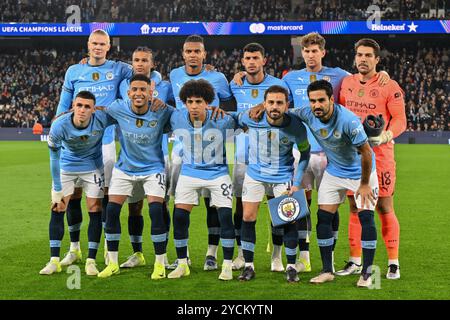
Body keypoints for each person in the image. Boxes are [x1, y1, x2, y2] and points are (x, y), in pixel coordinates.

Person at [281, 32, 389, 273]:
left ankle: (340, 257)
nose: (310, 54)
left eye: (314, 50)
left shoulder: (340, 75)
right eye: (306, 51)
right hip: (303, 152)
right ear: (302, 52)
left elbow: (363, 78)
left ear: (322, 52)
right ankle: (306, 256)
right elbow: (277, 100)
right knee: (302, 205)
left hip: (333, 155)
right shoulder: (290, 77)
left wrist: (382, 74)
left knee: (339, 206)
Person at [286, 80, 379, 288]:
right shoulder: (308, 113)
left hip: (361, 173)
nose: (316, 105)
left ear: (331, 99)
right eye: (312, 101)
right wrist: (260, 107)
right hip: (334, 171)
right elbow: (283, 109)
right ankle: (327, 270)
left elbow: (366, 153)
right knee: (323, 218)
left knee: (366, 217)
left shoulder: (348, 120)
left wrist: (364, 184)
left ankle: (367, 273)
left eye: (321, 100)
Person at [55, 29, 132, 266]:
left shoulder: (119, 69)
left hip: (105, 141)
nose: (98, 47)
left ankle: (109, 248)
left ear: (109, 47)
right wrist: (58, 126)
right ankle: (75, 248)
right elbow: (63, 103)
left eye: (102, 44)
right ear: (88, 45)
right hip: (75, 143)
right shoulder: (74, 71)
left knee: (105, 197)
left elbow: (145, 70)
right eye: (94, 43)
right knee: (73, 196)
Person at [338, 38, 406, 280]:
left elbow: (400, 119)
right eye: (359, 55)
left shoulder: (390, 85)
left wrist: (387, 134)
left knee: (384, 206)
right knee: (355, 207)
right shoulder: (346, 82)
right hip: (352, 156)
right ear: (354, 57)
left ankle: (393, 262)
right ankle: (355, 260)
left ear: (377, 59)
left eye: (368, 55)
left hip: (380, 154)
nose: (363, 59)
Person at [168, 35, 235, 271]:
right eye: (189, 51)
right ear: (183, 53)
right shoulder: (174, 75)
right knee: (178, 204)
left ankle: (211, 253)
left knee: (213, 205)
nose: (193, 55)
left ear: (204, 54)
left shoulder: (217, 77)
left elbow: (230, 102)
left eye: (198, 51)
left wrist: (219, 109)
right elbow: (167, 102)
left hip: (211, 138)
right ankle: (182, 256)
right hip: (183, 142)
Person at [97, 74, 173, 279]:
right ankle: (112, 263)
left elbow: (187, 118)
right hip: (125, 169)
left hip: (153, 169)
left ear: (150, 93)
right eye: (135, 90)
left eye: (143, 90)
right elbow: (97, 112)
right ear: (129, 93)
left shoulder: (163, 110)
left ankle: (160, 263)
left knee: (156, 211)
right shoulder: (118, 108)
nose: (139, 93)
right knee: (111, 211)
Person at [234, 85, 310, 283]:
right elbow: (233, 118)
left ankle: (291, 266)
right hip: (255, 175)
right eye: (271, 102)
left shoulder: (296, 127)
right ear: (264, 104)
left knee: (288, 219)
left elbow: (305, 154)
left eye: (279, 103)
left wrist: (296, 182)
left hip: (282, 177)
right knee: (248, 217)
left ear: (287, 105)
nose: (274, 107)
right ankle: (249, 266)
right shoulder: (251, 117)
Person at [229, 42, 291, 272]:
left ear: (264, 60)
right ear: (242, 62)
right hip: (243, 156)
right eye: (247, 58)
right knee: (242, 208)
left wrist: (262, 105)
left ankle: (276, 256)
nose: (251, 61)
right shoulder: (234, 84)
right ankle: (241, 254)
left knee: (278, 208)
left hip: (275, 158)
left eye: (256, 57)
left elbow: (286, 111)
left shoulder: (278, 85)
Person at [40, 91, 114, 276]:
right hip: (67, 168)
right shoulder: (59, 125)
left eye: (87, 106)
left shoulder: (101, 118)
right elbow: (53, 158)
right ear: (73, 105)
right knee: (58, 207)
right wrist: (57, 188)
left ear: (94, 109)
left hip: (92, 168)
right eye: (79, 105)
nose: (82, 110)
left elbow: (126, 115)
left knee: (95, 209)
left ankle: (91, 260)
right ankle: (54, 260)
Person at [116, 47, 174, 269]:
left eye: (144, 60)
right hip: (130, 157)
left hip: (158, 158)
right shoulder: (123, 85)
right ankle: (137, 253)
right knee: (134, 207)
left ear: (153, 64)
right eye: (136, 60)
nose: (139, 64)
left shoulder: (165, 86)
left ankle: (164, 255)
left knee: (160, 207)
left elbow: (176, 110)